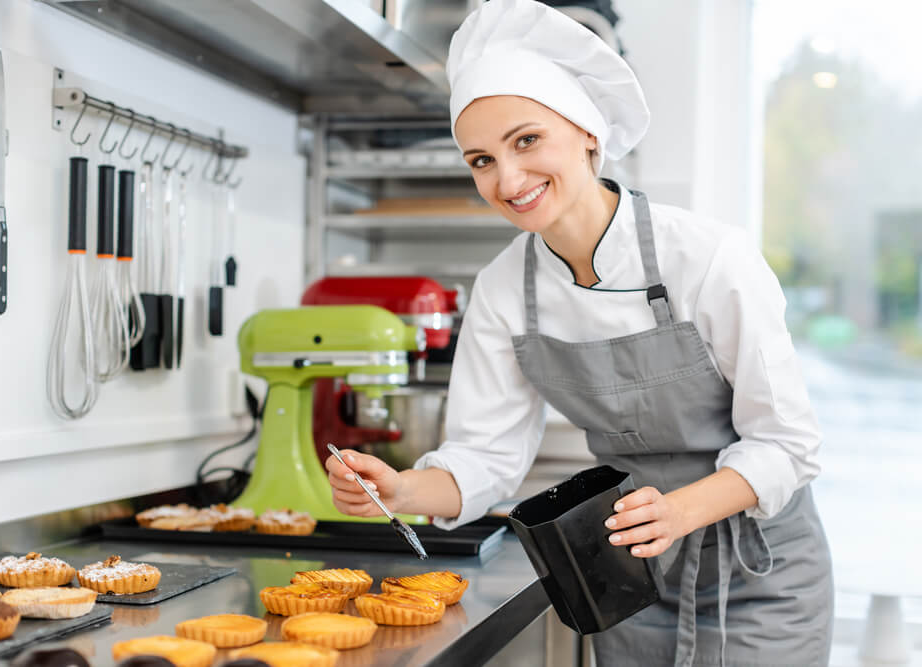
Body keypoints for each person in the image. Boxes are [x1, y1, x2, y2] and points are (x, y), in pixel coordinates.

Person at [325, 0, 833, 664]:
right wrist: (401, 489)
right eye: (480, 159)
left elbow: (789, 443)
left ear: (588, 133)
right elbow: (485, 455)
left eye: (526, 140)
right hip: (628, 580)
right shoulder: (506, 289)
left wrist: (679, 510)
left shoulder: (709, 259)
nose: (507, 179)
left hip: (762, 577)